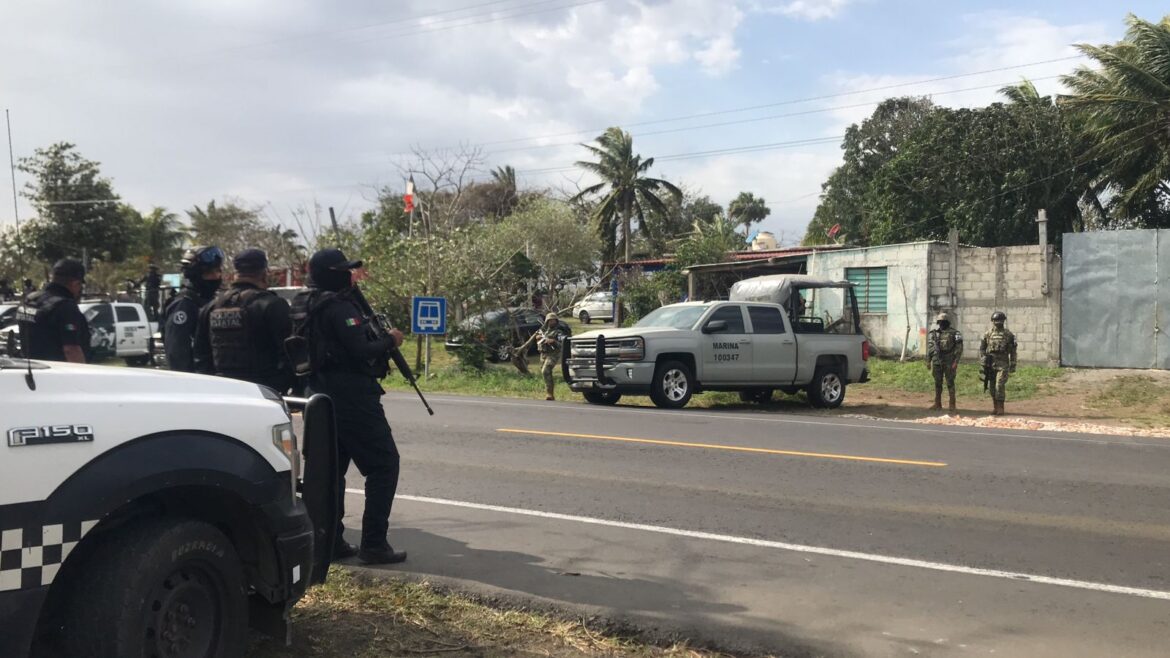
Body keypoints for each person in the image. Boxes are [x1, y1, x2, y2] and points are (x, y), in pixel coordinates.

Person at [290, 248, 406, 565]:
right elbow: (360, 349)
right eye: (343, 271)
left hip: (318, 394)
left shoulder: (302, 302)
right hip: (351, 395)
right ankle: (374, 544)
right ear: (330, 273)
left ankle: (331, 540)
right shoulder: (338, 307)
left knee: (331, 471)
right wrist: (391, 340)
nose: (349, 277)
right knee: (384, 465)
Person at [193, 248, 292, 393]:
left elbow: (201, 356)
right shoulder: (272, 305)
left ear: (235, 273)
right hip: (263, 393)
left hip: (222, 392)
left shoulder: (211, 307)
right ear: (264, 273)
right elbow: (289, 354)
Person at [162, 245, 224, 372]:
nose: (216, 276)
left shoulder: (212, 301)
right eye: (210, 272)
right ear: (196, 274)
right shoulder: (184, 304)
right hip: (197, 381)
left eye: (218, 271)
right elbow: (177, 353)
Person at [16, 259, 89, 363]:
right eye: (80, 285)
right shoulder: (65, 307)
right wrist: (83, 376)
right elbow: (71, 350)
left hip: (31, 370)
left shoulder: (30, 300)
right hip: (58, 373)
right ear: (75, 283)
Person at [518, 312, 571, 401]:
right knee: (546, 373)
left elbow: (563, 344)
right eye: (550, 321)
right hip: (543, 354)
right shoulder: (543, 331)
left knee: (545, 370)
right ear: (547, 321)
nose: (552, 322)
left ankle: (549, 393)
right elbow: (534, 342)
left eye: (554, 320)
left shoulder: (558, 332)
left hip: (553, 354)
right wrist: (538, 339)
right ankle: (550, 393)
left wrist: (553, 341)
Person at [979, 311, 1017, 416]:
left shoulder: (1009, 334)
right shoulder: (987, 334)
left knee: (999, 385)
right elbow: (982, 348)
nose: (998, 322)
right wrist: (983, 360)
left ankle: (1001, 407)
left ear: (1003, 321)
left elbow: (1013, 351)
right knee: (991, 387)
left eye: (1000, 320)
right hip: (991, 363)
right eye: (996, 320)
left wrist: (1013, 364)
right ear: (992, 321)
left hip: (1003, 363)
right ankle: (995, 407)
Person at [926, 311, 963, 412]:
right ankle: (937, 403)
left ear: (948, 322)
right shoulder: (934, 334)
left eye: (944, 322)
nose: (941, 324)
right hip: (937, 361)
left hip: (949, 361)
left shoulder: (955, 333)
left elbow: (959, 349)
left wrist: (956, 361)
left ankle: (952, 404)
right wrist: (928, 361)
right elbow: (930, 348)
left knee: (950, 382)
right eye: (940, 322)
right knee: (937, 382)